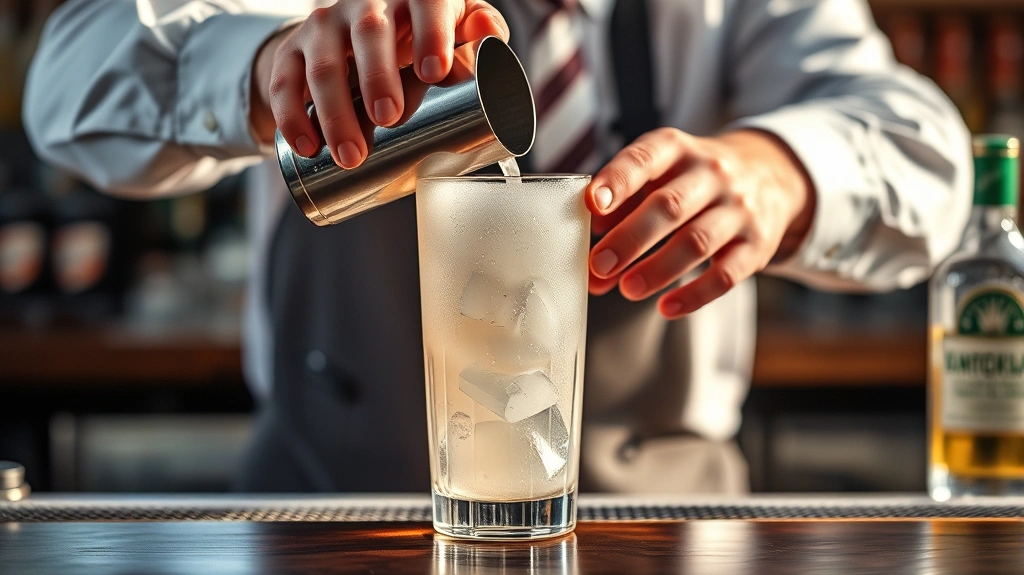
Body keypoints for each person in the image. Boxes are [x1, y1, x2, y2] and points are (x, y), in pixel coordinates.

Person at [24, 0, 971, 493]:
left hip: (657, 531)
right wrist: (262, 65)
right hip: (332, 522)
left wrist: (779, 170)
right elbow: (63, 81)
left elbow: (928, 152)